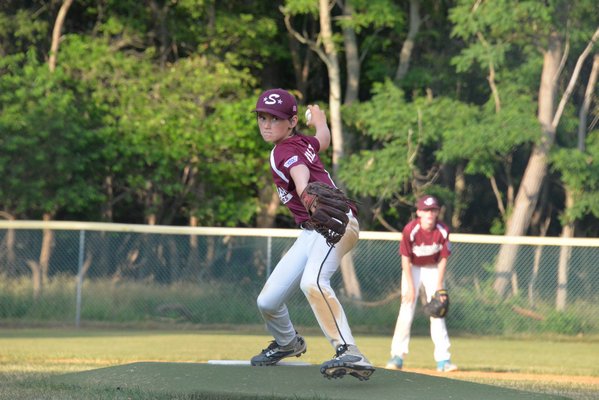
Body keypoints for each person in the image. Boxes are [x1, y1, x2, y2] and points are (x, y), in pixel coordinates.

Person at [250, 88, 375, 381]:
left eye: (275, 119)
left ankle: (348, 349)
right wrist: (319, 119)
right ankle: (287, 342)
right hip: (311, 232)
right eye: (262, 118)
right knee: (267, 302)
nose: (267, 125)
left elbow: (300, 175)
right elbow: (323, 140)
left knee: (314, 281)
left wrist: (306, 194)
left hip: (334, 223)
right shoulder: (302, 141)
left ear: (292, 121)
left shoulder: (284, 151)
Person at [386, 195, 458, 372]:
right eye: (426, 210)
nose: (430, 213)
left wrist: (439, 284)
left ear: (437, 212)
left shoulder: (442, 230)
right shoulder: (410, 230)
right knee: (406, 309)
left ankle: (443, 360)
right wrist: (411, 287)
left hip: (433, 269)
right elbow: (405, 260)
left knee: (438, 311)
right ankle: (397, 356)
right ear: (419, 212)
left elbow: (443, 259)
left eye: (433, 210)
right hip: (413, 269)